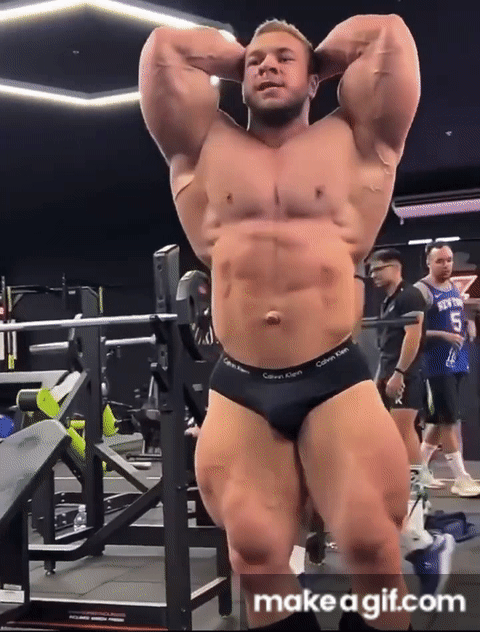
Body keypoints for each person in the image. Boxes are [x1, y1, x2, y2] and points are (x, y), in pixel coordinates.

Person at [139, 14, 421, 631]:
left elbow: (388, 34)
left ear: (317, 79)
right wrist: (249, 55)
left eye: (283, 59)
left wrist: (313, 56)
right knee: (255, 555)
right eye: (257, 62)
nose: (267, 65)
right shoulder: (202, 145)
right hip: (242, 384)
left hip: (333, 377)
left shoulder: (357, 142)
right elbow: (164, 49)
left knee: (372, 544)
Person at [368, 248, 455, 595]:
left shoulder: (409, 295)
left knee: (401, 437)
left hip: (405, 376)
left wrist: (400, 373)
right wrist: (382, 375)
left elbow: (412, 336)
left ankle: (416, 516)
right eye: (370, 270)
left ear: (396, 267)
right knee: (392, 442)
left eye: (379, 269)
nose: (373, 275)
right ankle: (414, 512)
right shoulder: (389, 300)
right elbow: (386, 343)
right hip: (388, 373)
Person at [414, 241, 480, 497]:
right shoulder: (421, 290)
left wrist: (468, 323)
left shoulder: (452, 286)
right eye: (440, 261)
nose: (446, 265)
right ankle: (460, 478)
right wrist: (442, 335)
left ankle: (419, 471)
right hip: (436, 365)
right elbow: (412, 331)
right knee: (449, 420)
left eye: (449, 260)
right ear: (428, 263)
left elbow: (458, 312)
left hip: (457, 360)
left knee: (439, 420)